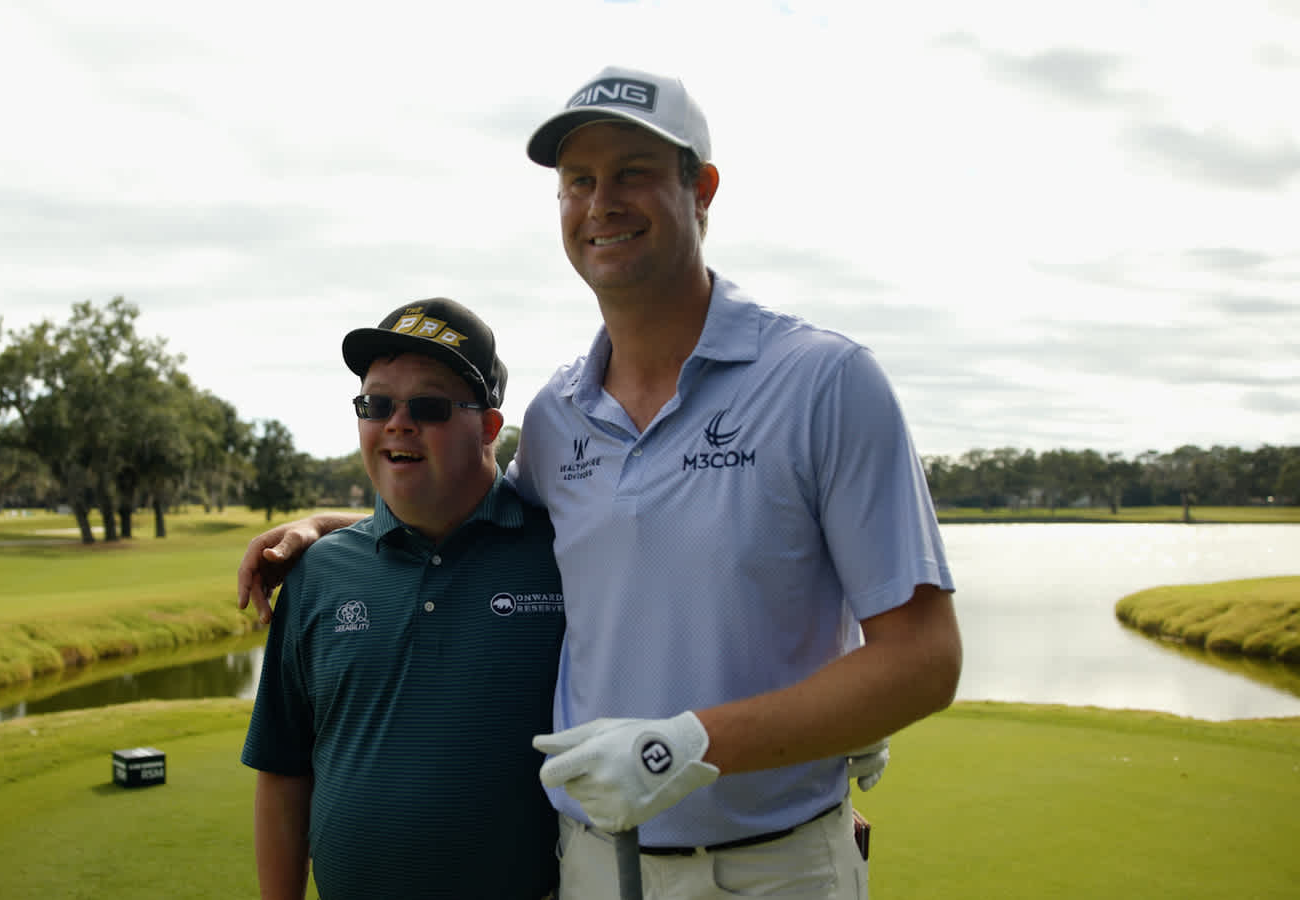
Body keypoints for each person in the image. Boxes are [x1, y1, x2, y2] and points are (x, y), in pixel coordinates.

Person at [241, 66, 962, 900]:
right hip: (588, 870)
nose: (601, 202)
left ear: (703, 191)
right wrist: (338, 532)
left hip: (773, 867)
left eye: (633, 173)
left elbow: (925, 660)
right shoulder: (558, 415)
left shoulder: (824, 381)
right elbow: (479, 514)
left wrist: (683, 746)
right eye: (578, 181)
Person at [240, 297, 565, 900]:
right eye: (377, 404)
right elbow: (285, 773)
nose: (397, 422)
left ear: (489, 428)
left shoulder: (563, 556)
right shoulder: (319, 573)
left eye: (429, 406)